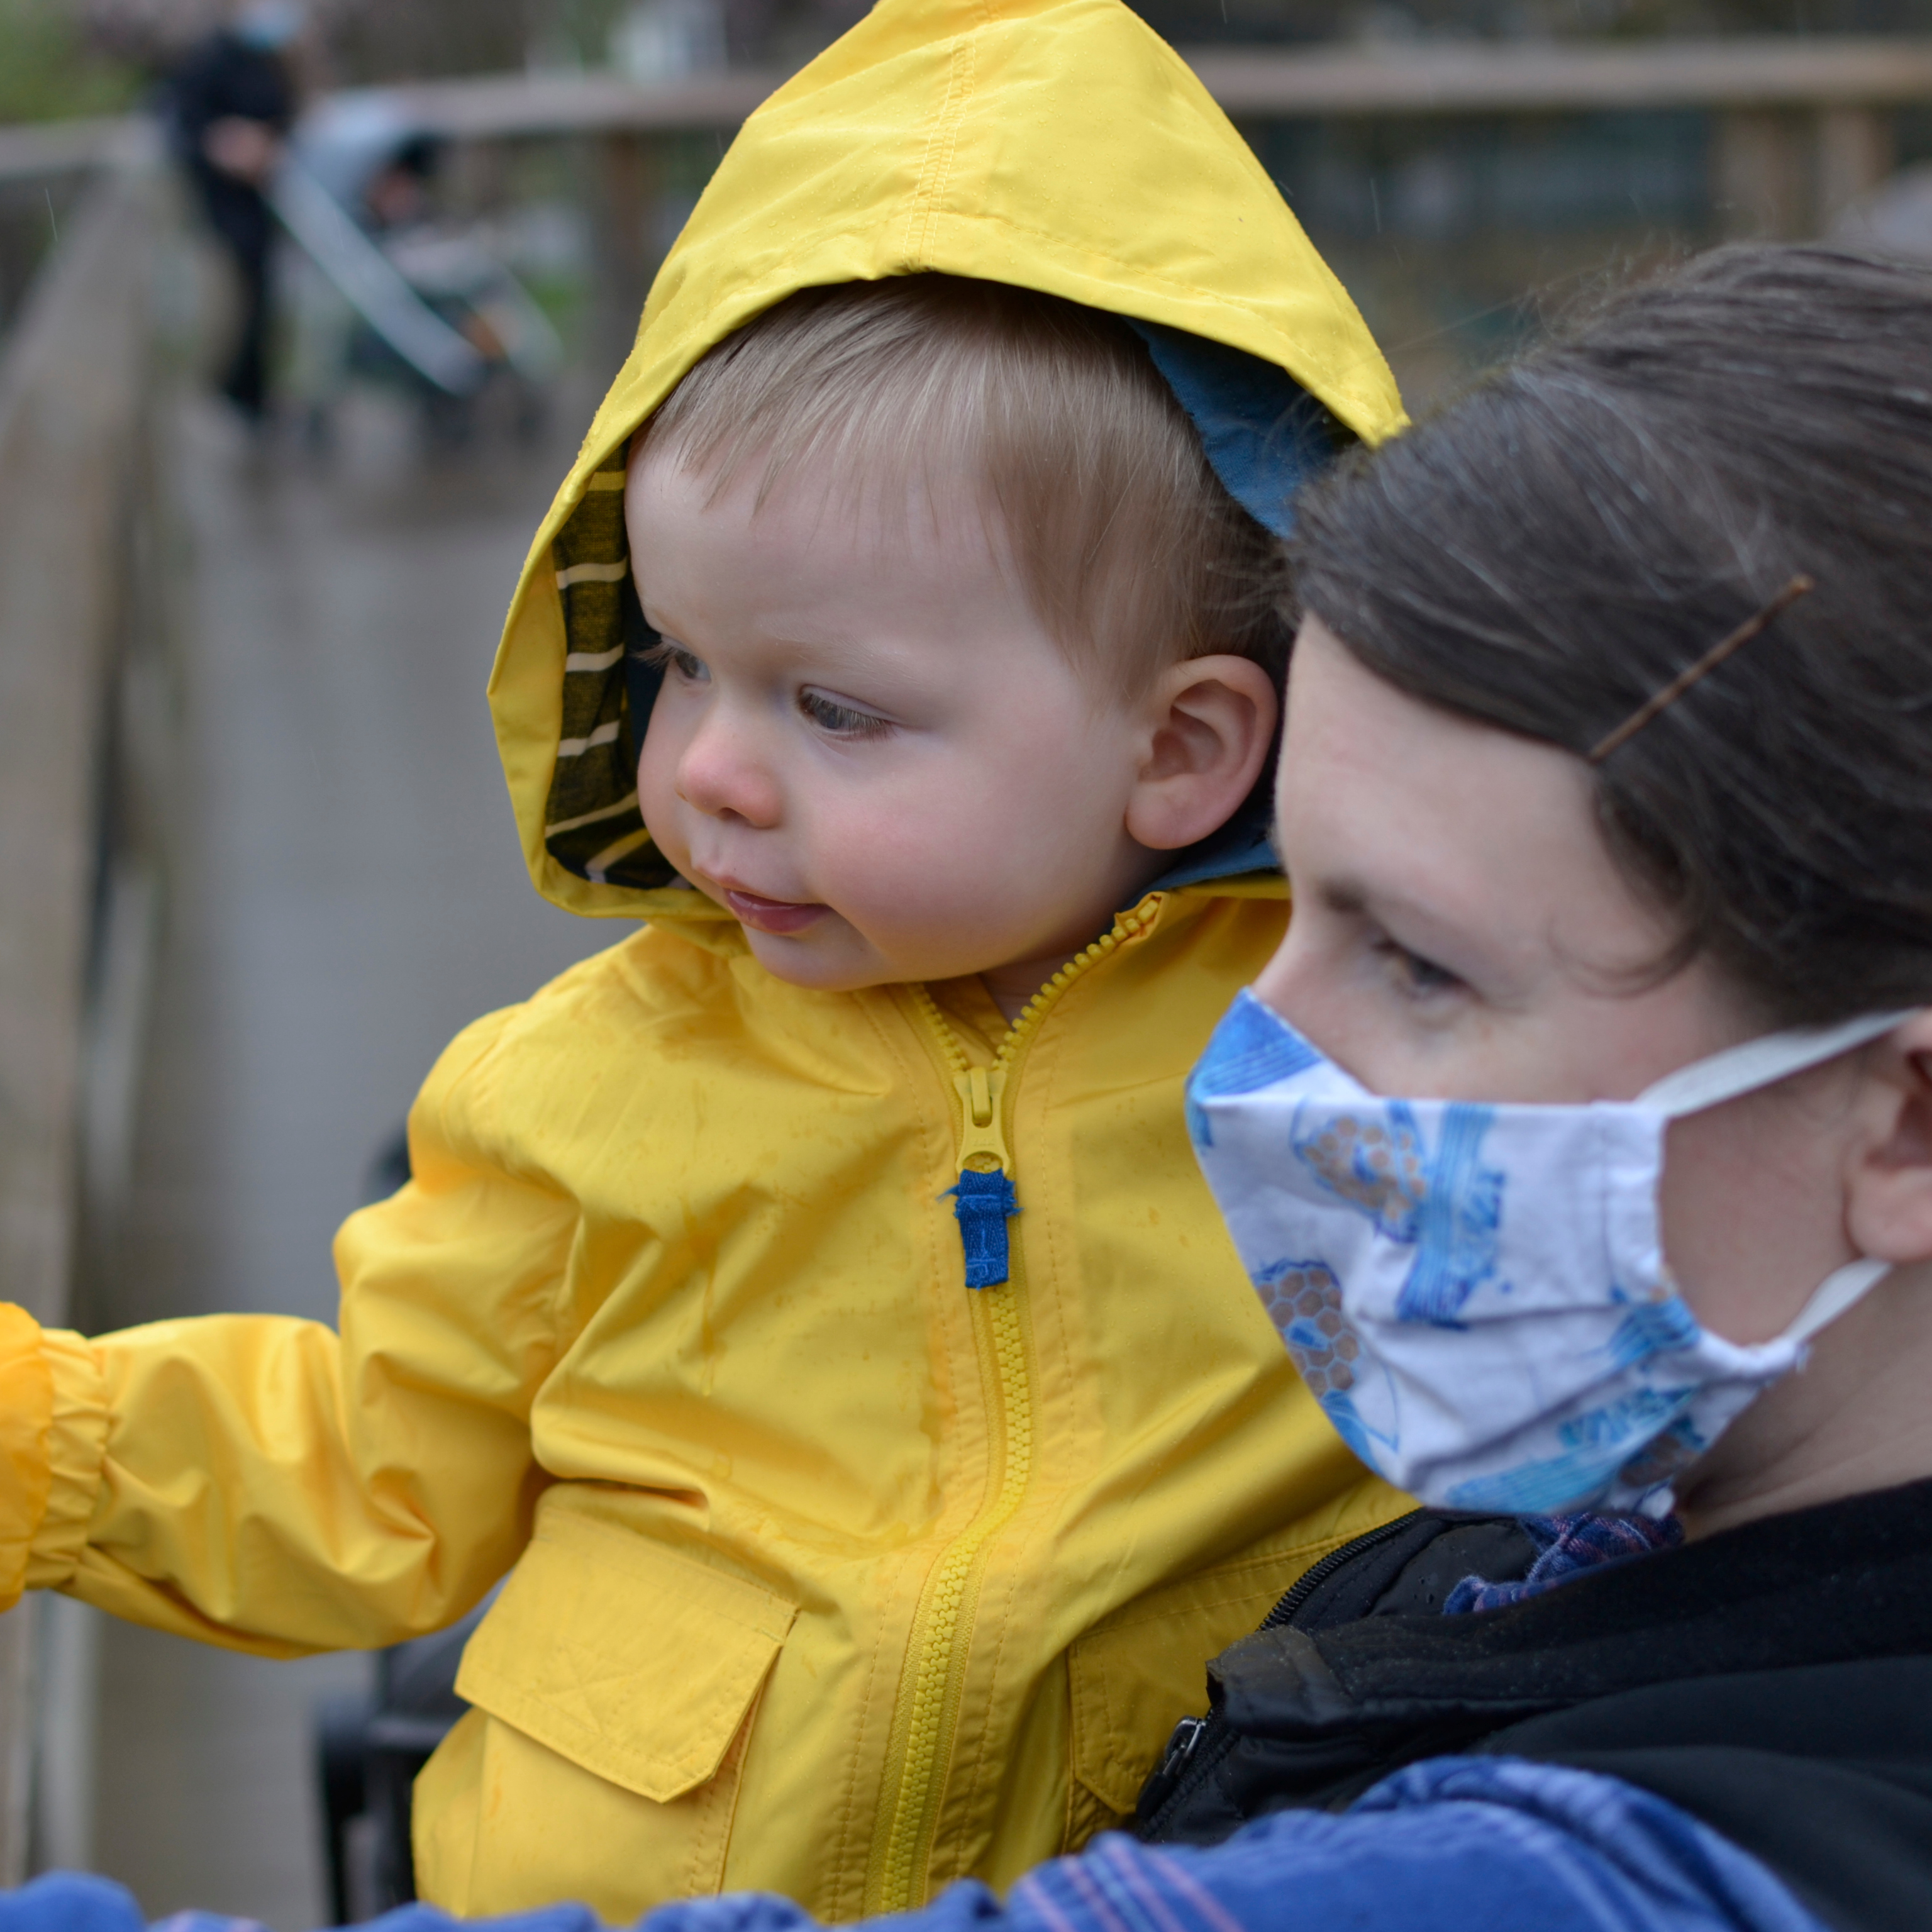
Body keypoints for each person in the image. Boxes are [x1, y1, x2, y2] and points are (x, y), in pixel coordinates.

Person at [9, 239, 1928, 1932]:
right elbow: (367, 1465)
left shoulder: (1631, 1849)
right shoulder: (1609, 1504)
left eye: (1416, 958)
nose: (1274, 1050)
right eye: (678, 667)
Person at [0, 0, 1411, 1921]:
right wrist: (43, 1445)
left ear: (1180, 747)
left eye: (835, 707)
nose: (710, 770)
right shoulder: (585, 1087)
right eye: (677, 664)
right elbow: (367, 1471)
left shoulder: (1369, 1051)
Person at [164, 0, 307, 422]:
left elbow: (288, 116)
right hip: (223, 207)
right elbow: (181, 129)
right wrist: (222, 146)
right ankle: (232, 397)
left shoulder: (276, 58)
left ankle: (257, 399)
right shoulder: (208, 58)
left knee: (266, 305)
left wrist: (271, 146)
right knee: (232, 310)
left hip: (268, 201)